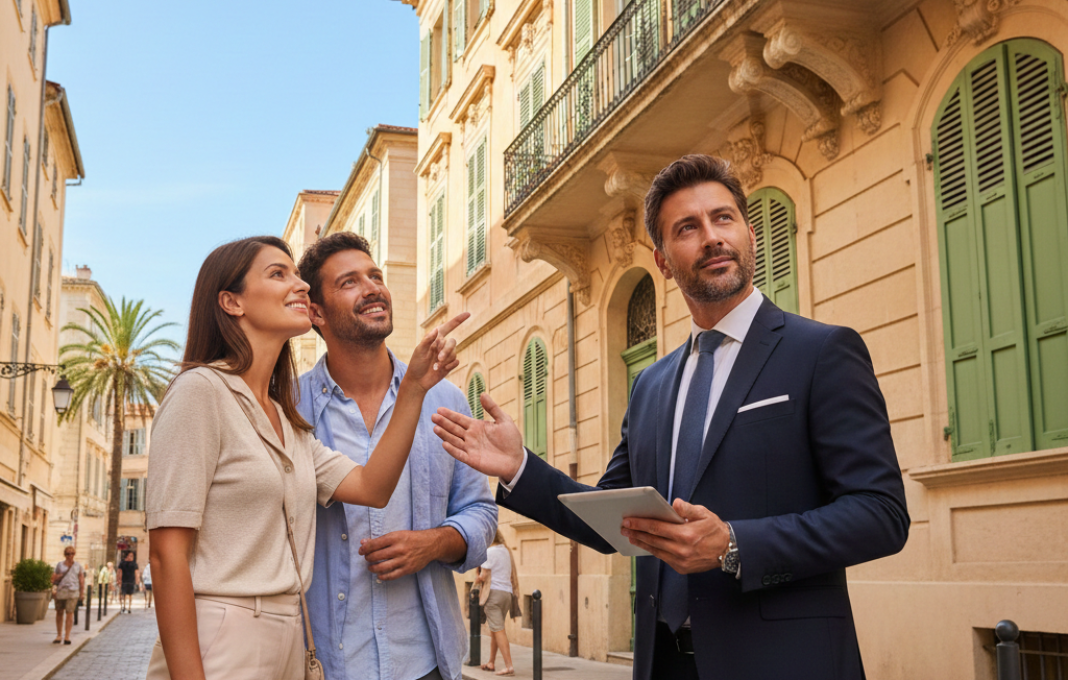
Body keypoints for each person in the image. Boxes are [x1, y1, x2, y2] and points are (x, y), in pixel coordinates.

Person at [432, 155, 910, 680]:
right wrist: (520, 467)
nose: (711, 237)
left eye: (723, 219)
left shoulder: (821, 352)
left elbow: (880, 514)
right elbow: (614, 520)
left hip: (786, 661)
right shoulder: (651, 386)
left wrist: (733, 544)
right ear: (662, 260)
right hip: (664, 663)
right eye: (688, 228)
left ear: (749, 234)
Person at [146, 236, 467, 680]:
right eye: (278, 274)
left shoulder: (284, 416)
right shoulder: (200, 392)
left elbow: (371, 488)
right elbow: (165, 555)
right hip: (226, 635)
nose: (299, 285)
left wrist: (412, 386)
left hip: (292, 643)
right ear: (231, 301)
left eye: (297, 275)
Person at [295, 232, 497, 680]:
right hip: (327, 663)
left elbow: (481, 512)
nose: (372, 288)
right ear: (315, 312)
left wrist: (434, 543)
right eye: (349, 282)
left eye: (376, 276)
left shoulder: (443, 399)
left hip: (425, 663)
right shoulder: (291, 409)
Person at [476, 530, 519, 677]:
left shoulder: (490, 552)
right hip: (507, 594)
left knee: (498, 630)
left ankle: (509, 666)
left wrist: (476, 579)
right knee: (495, 629)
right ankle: (491, 662)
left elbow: (483, 576)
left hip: (493, 594)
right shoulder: (506, 551)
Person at [52, 547, 84, 644]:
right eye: (68, 554)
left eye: (72, 553)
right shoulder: (60, 565)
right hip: (61, 591)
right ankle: (59, 635)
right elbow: (53, 578)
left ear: (74, 554)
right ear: (64, 554)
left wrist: (82, 593)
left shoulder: (78, 566)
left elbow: (81, 579)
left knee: (70, 613)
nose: (70, 556)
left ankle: (67, 636)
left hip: (73, 591)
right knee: (59, 612)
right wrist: (59, 576)